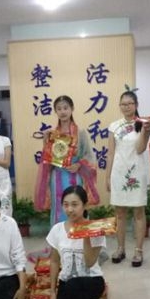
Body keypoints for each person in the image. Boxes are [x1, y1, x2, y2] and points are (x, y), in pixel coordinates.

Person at [47, 185, 106, 299]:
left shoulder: (96, 229)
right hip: (67, 283)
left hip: (92, 281)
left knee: (74, 285)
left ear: (85, 205)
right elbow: (54, 261)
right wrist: (52, 291)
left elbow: (89, 262)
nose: (70, 209)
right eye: (66, 205)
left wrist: (86, 234)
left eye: (75, 204)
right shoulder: (57, 229)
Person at [35, 95, 99, 226]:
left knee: (76, 204)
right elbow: (48, 158)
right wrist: (46, 142)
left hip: (75, 175)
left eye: (65, 108)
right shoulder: (52, 134)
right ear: (55, 111)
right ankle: (59, 236)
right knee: (59, 206)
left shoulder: (80, 132)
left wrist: (78, 164)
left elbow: (89, 155)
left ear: (72, 109)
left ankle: (78, 235)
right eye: (59, 109)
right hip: (57, 176)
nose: (62, 111)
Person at [106, 90, 150, 267]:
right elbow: (111, 154)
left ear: (136, 105)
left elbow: (140, 149)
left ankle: (138, 251)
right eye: (123, 104)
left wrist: (146, 132)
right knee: (119, 214)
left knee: (139, 213)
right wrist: (108, 176)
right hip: (118, 172)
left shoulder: (143, 124)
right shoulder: (114, 126)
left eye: (130, 104)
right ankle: (120, 248)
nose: (126, 107)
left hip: (137, 173)